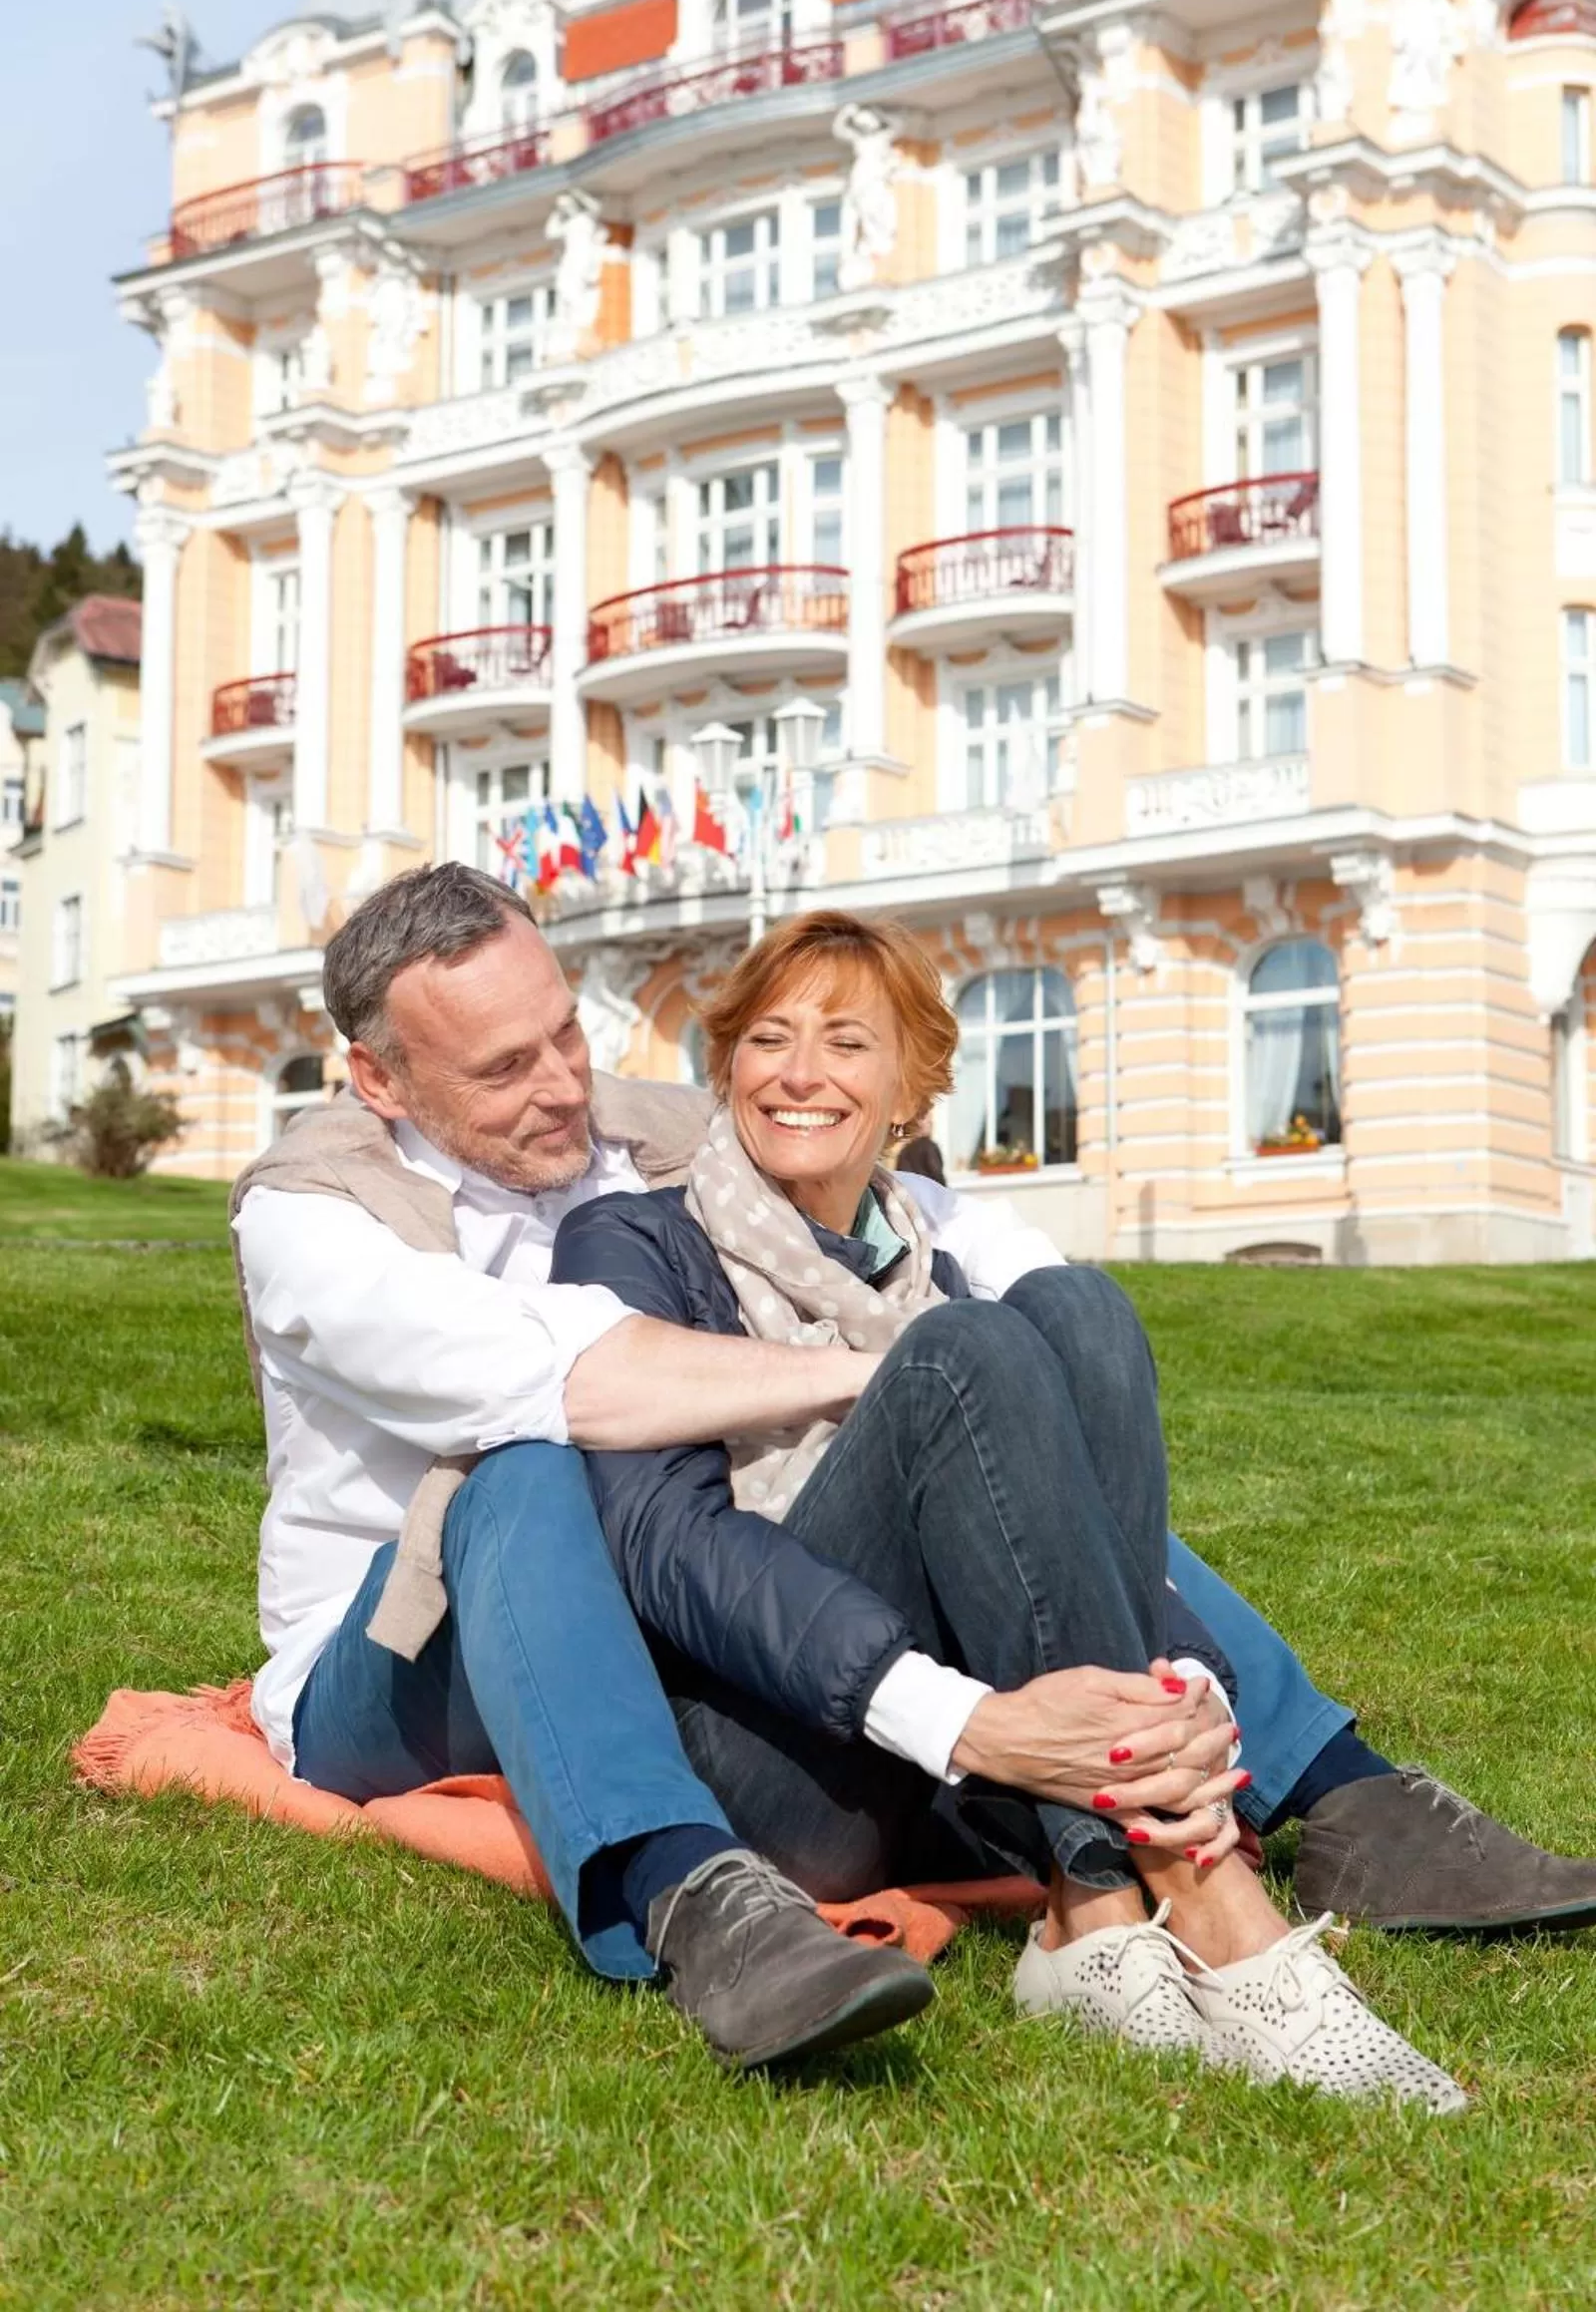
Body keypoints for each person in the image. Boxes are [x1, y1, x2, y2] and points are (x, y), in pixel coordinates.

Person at [232, 869, 1593, 2065]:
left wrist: (1028, 1354)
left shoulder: (627, 1125)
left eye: (566, 1035)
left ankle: (1326, 1789)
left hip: (657, 1621)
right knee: (519, 1469)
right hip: (406, 1647)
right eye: (502, 1070)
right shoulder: (314, 1215)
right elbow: (575, 1385)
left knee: (1017, 1422)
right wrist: (893, 1371)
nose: (561, 1087)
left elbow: (925, 1207)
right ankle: (697, 1894)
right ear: (381, 1080)